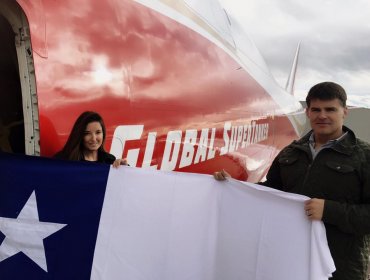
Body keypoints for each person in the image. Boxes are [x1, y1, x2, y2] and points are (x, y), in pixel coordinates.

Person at [214, 82, 370, 280]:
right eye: (316, 109)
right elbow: (271, 193)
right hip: (291, 260)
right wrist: (235, 186)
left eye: (330, 109)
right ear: (308, 112)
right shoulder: (291, 151)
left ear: (345, 112)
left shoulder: (365, 156)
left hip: (341, 268)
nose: (322, 115)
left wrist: (330, 211)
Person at [54, 111, 127, 167]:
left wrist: (124, 168)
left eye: (98, 132)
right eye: (87, 133)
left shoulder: (110, 161)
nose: (94, 139)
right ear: (79, 135)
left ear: (103, 134)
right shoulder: (63, 161)